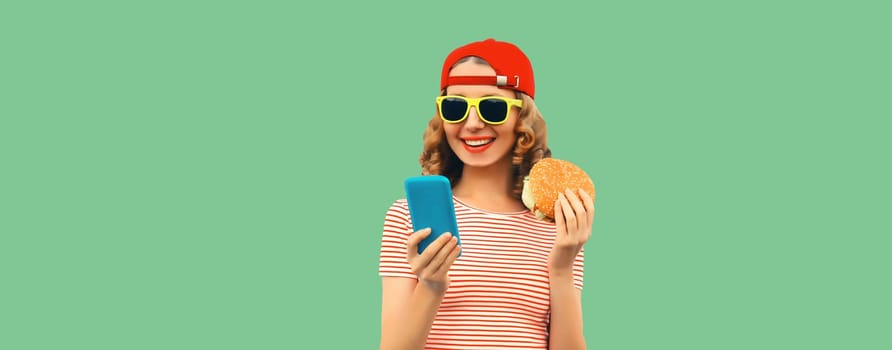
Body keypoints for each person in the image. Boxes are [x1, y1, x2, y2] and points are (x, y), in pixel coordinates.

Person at [379, 38, 594, 350]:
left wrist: (562, 267)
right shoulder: (408, 216)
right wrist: (431, 285)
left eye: (492, 108)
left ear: (523, 118)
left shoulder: (558, 226)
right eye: (455, 108)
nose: (473, 123)